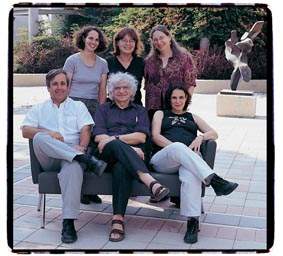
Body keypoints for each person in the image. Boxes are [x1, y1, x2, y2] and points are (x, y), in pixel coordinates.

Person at [21, 69, 107, 244]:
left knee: (74, 166)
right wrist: (49, 133)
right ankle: (85, 159)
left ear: (68, 86)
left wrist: (82, 147)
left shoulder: (78, 106)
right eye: (55, 84)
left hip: (72, 154)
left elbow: (86, 129)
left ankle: (68, 223)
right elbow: (25, 130)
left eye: (62, 83)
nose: (59, 87)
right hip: (49, 157)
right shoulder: (39, 108)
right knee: (39, 137)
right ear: (48, 87)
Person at [150, 86, 239, 244]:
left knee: (191, 175)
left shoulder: (193, 117)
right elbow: (156, 137)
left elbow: (214, 133)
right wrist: (179, 148)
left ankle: (192, 223)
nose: (178, 101)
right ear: (169, 99)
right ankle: (215, 180)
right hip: (163, 159)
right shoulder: (160, 114)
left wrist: (201, 138)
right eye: (174, 98)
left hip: (186, 161)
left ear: (186, 99)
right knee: (178, 148)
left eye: (181, 97)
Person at [92, 72, 170, 242]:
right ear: (111, 92)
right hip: (106, 157)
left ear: (132, 91)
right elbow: (99, 138)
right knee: (112, 145)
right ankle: (150, 182)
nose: (121, 91)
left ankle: (117, 220)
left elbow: (142, 137)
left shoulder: (140, 110)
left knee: (122, 167)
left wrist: (115, 139)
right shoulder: (103, 109)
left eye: (125, 87)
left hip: (126, 160)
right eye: (117, 88)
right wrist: (127, 146)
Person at [63, 25, 108, 204]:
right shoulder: (72, 60)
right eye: (90, 38)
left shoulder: (103, 64)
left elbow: (102, 90)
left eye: (96, 39)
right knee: (78, 145)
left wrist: (102, 112)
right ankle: (78, 189)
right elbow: (65, 86)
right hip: (74, 105)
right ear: (83, 38)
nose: (93, 42)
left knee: (92, 147)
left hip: (94, 107)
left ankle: (90, 190)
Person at [144, 25, 198, 121]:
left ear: (169, 37)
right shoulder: (149, 61)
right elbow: (147, 85)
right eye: (155, 39)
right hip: (153, 110)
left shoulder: (183, 57)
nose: (159, 42)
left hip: (175, 109)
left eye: (161, 38)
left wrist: (184, 105)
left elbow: (191, 83)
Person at [107, 27, 144, 105]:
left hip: (136, 108)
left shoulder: (141, 63)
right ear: (117, 43)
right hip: (112, 108)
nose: (128, 44)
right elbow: (101, 88)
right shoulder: (108, 62)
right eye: (124, 40)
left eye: (131, 41)